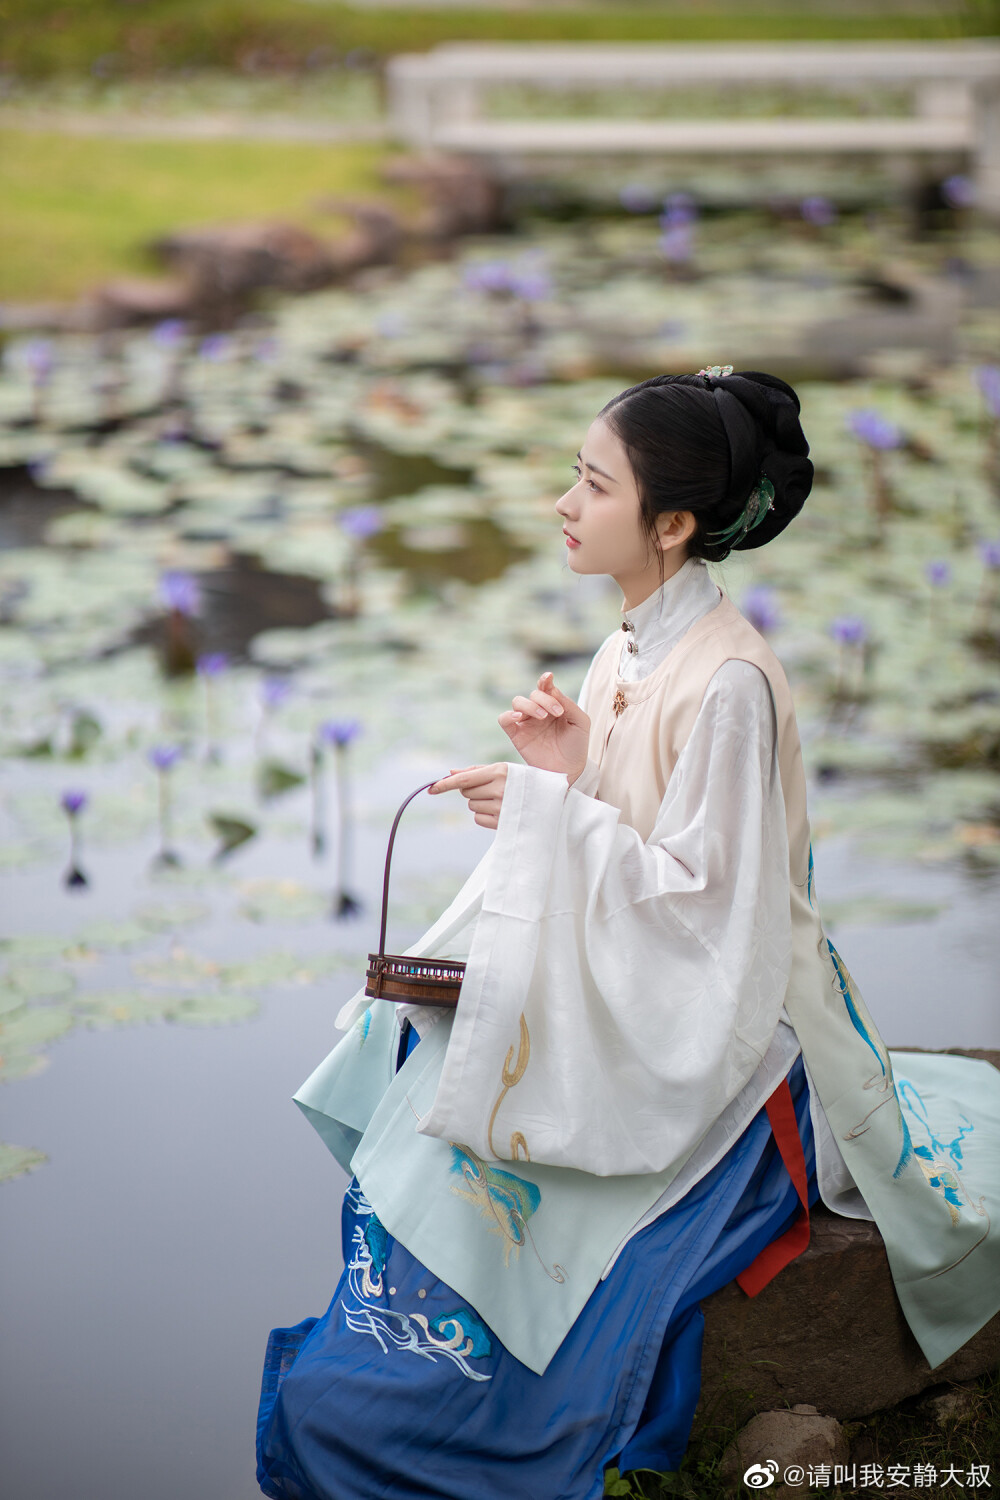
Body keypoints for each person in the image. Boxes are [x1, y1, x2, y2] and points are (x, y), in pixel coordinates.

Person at [256, 369, 999, 1500]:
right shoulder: (629, 649)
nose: (564, 502)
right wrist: (562, 773)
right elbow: (627, 847)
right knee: (416, 1053)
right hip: (642, 992)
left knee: (520, 1178)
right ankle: (384, 1359)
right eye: (573, 475)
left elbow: (714, 919)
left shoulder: (730, 684)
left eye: (591, 484)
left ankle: (457, 1414)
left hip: (731, 1035)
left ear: (671, 524)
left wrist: (556, 809)